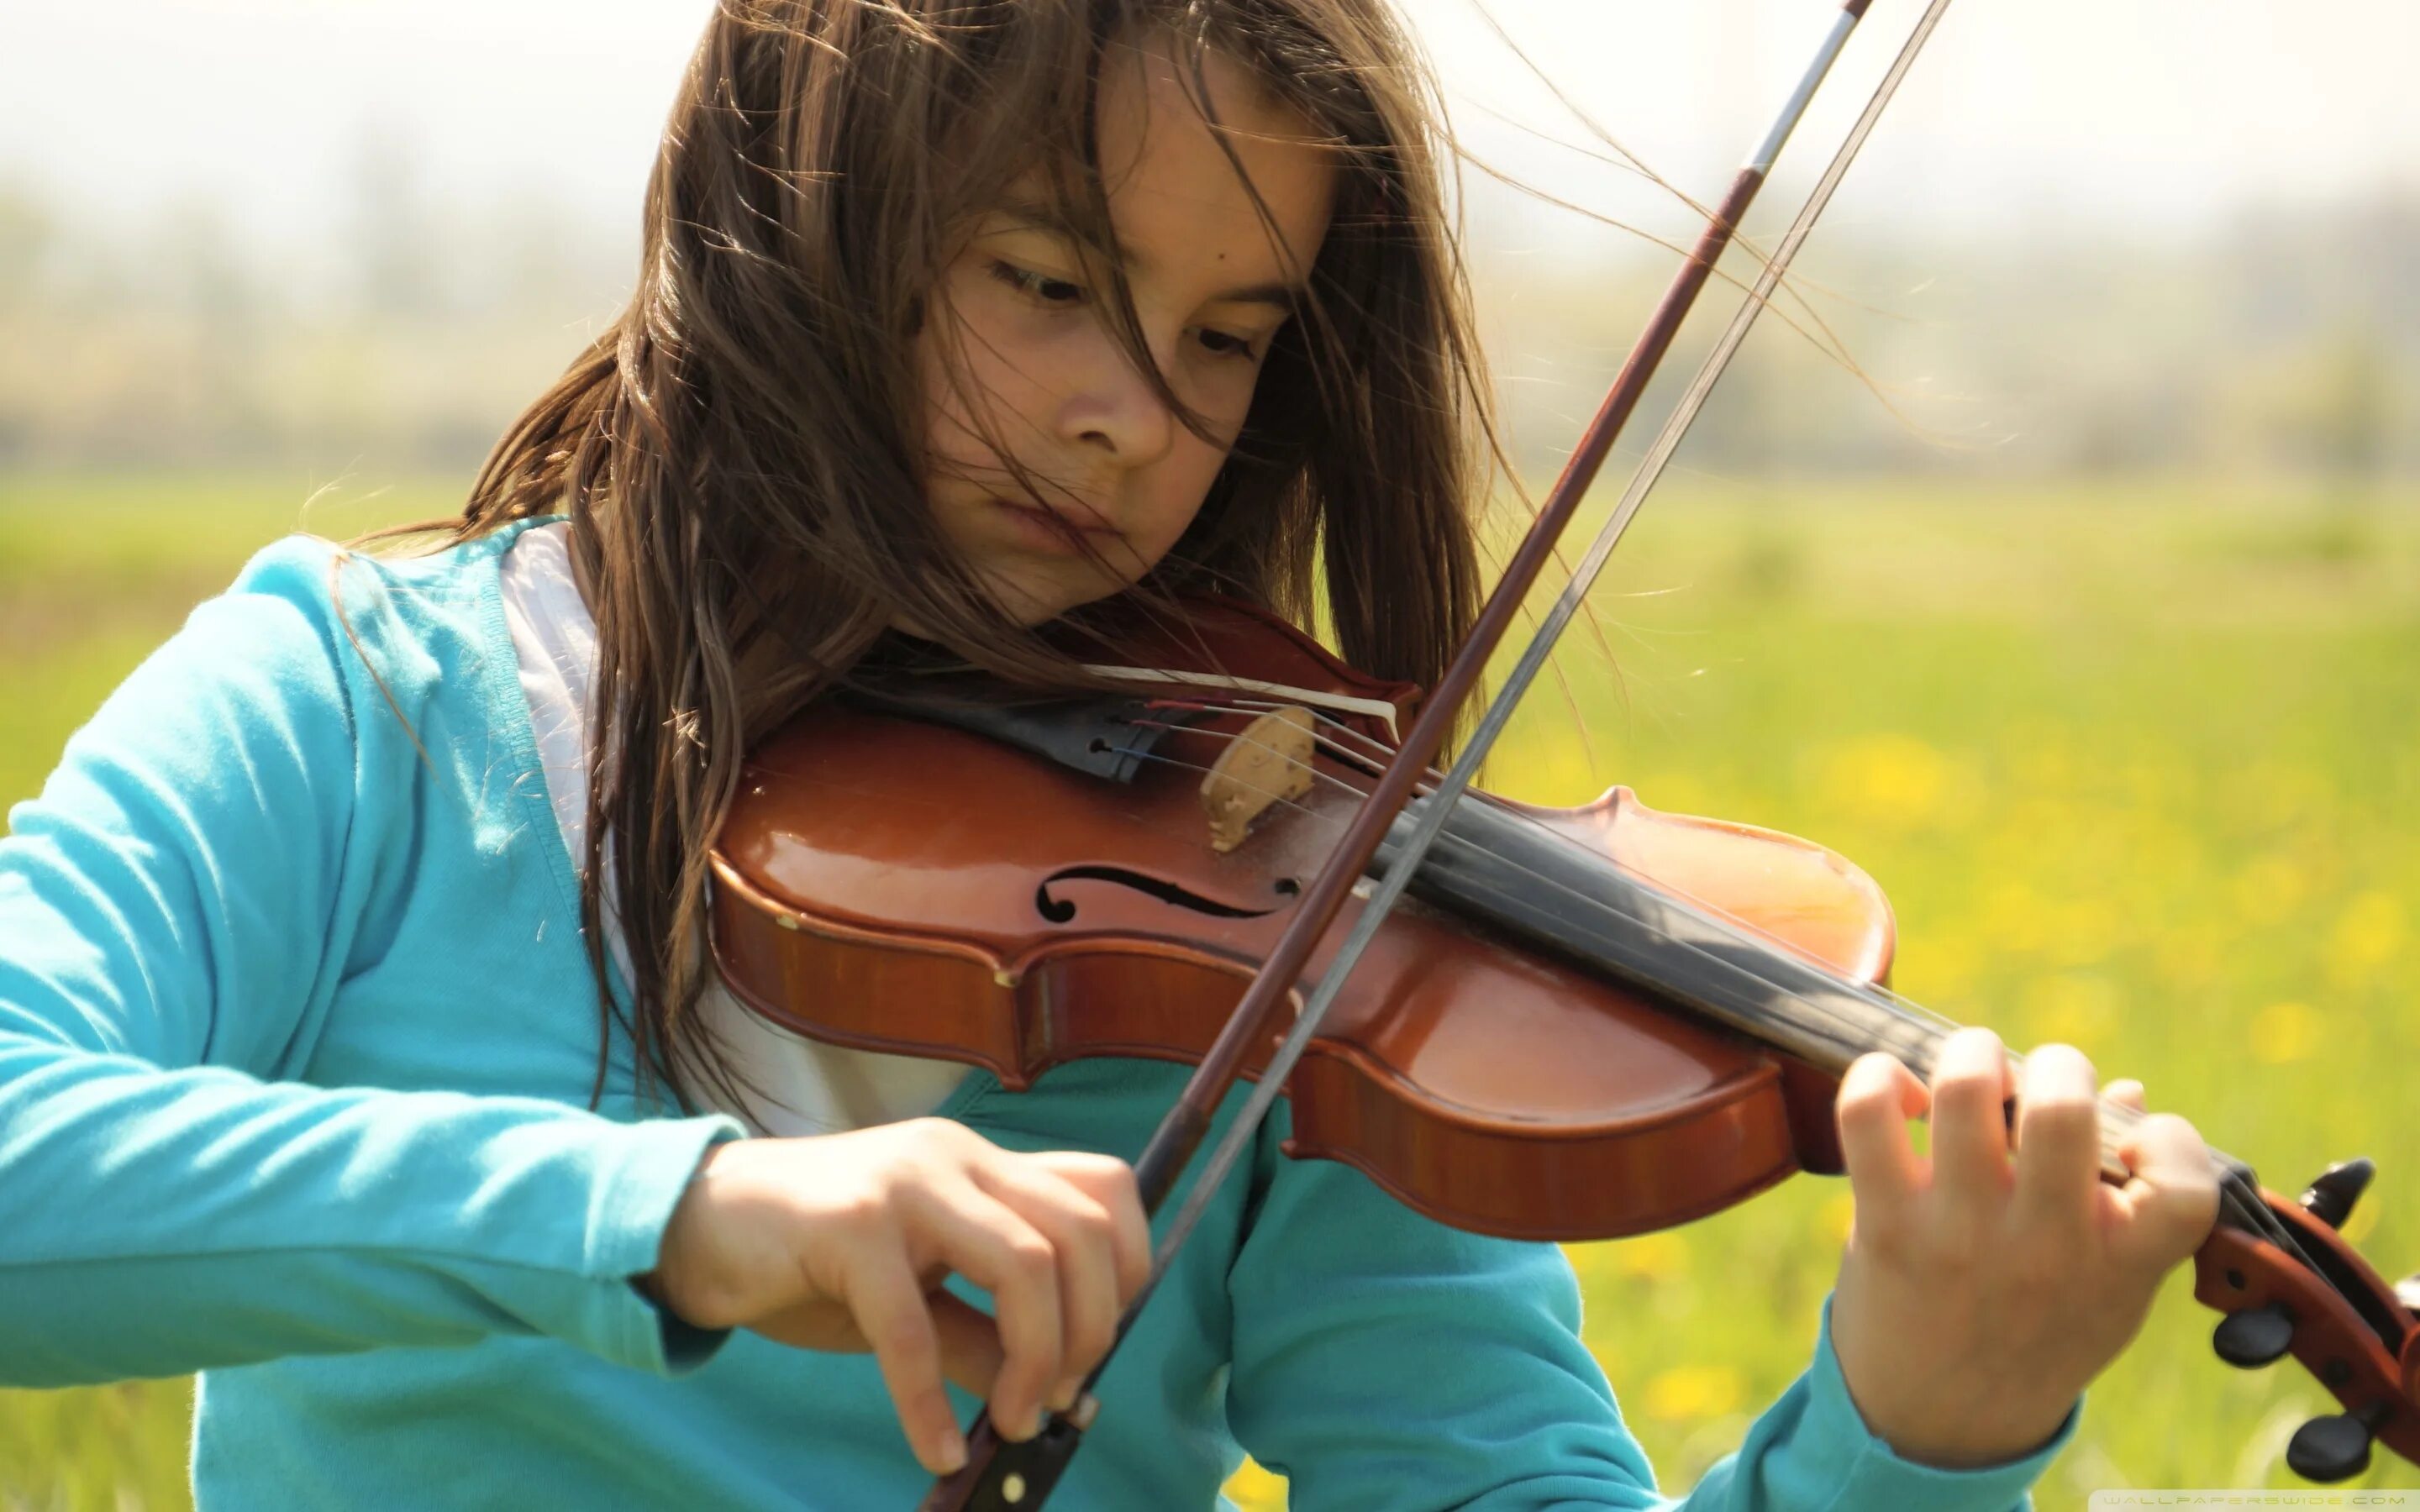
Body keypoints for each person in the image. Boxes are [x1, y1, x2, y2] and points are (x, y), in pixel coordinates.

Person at [0, 1, 2219, 1507]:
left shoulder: (1299, 929)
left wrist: (1914, 1437)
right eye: (1050, 281)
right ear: (804, 217)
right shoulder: (367, 711)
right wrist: (680, 1218)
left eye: (1224, 338)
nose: (1134, 421)